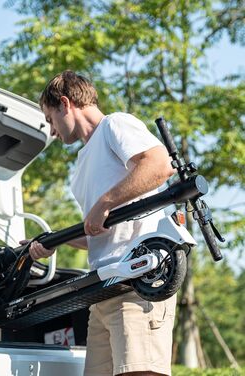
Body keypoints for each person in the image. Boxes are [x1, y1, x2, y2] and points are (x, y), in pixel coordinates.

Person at [28, 70, 176, 376]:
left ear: (65, 104)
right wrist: (54, 241)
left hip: (138, 279)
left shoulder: (115, 125)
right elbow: (101, 232)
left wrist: (105, 203)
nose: (51, 130)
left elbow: (161, 165)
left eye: (49, 118)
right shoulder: (82, 165)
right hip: (103, 287)